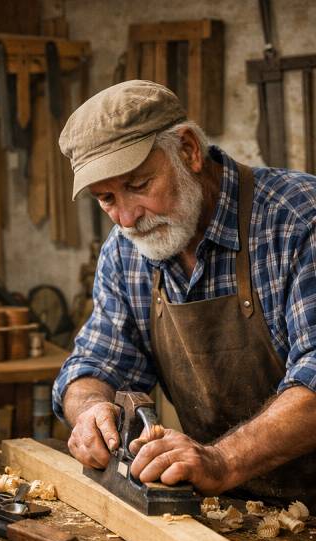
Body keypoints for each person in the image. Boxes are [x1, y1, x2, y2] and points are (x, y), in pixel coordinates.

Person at [53, 80, 316, 507]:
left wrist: (222, 460)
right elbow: (97, 361)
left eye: (138, 185)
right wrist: (89, 411)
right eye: (106, 198)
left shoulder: (298, 220)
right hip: (234, 508)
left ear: (190, 151)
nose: (126, 217)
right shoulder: (126, 251)